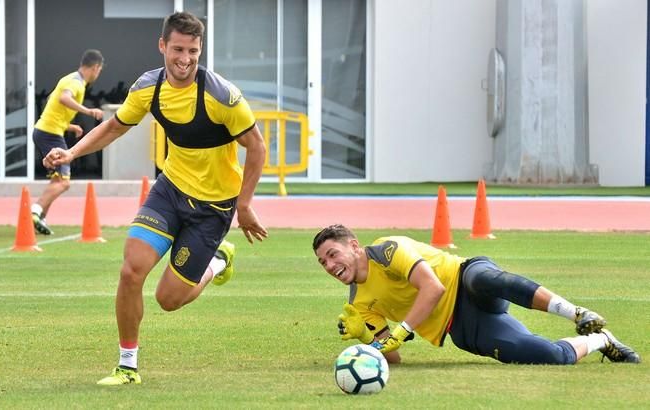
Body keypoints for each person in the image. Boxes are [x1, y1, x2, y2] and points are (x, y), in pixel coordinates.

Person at [43, 11, 268, 385]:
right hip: (170, 190)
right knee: (131, 270)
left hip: (213, 208)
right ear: (162, 45)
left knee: (169, 299)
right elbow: (114, 127)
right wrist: (70, 153)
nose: (185, 59)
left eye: (193, 51)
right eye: (178, 49)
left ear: (201, 50)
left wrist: (243, 206)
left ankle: (217, 260)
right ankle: (127, 365)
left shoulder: (222, 96)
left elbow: (256, 147)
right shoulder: (148, 86)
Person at [313, 224, 641, 365]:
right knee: (546, 356)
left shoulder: (387, 249)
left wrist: (403, 329)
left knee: (484, 279)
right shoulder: (357, 304)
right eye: (322, 261)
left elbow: (434, 287)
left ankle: (576, 313)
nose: (328, 265)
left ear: (354, 246)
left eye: (332, 254)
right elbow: (393, 358)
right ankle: (602, 339)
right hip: (461, 326)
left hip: (463, 277)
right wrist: (367, 340)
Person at [31, 49, 105, 235]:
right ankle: (35, 210)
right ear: (95, 67)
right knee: (63, 182)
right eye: (100, 70)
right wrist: (89, 112)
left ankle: (40, 218)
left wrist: (69, 126)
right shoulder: (76, 83)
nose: (98, 73)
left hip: (46, 131)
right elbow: (63, 99)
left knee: (58, 179)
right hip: (50, 135)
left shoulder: (69, 78)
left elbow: (52, 100)